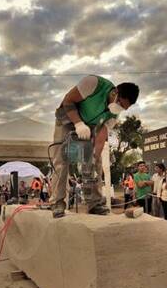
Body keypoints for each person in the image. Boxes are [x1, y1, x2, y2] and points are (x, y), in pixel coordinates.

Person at [50, 74, 139, 218]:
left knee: (94, 163)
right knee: (61, 159)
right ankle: (58, 202)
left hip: (91, 125)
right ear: (115, 92)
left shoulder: (113, 115)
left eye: (124, 108)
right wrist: (78, 123)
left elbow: (101, 134)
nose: (120, 108)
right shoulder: (93, 83)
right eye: (121, 104)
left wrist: (94, 156)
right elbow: (68, 100)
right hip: (67, 117)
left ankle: (94, 204)